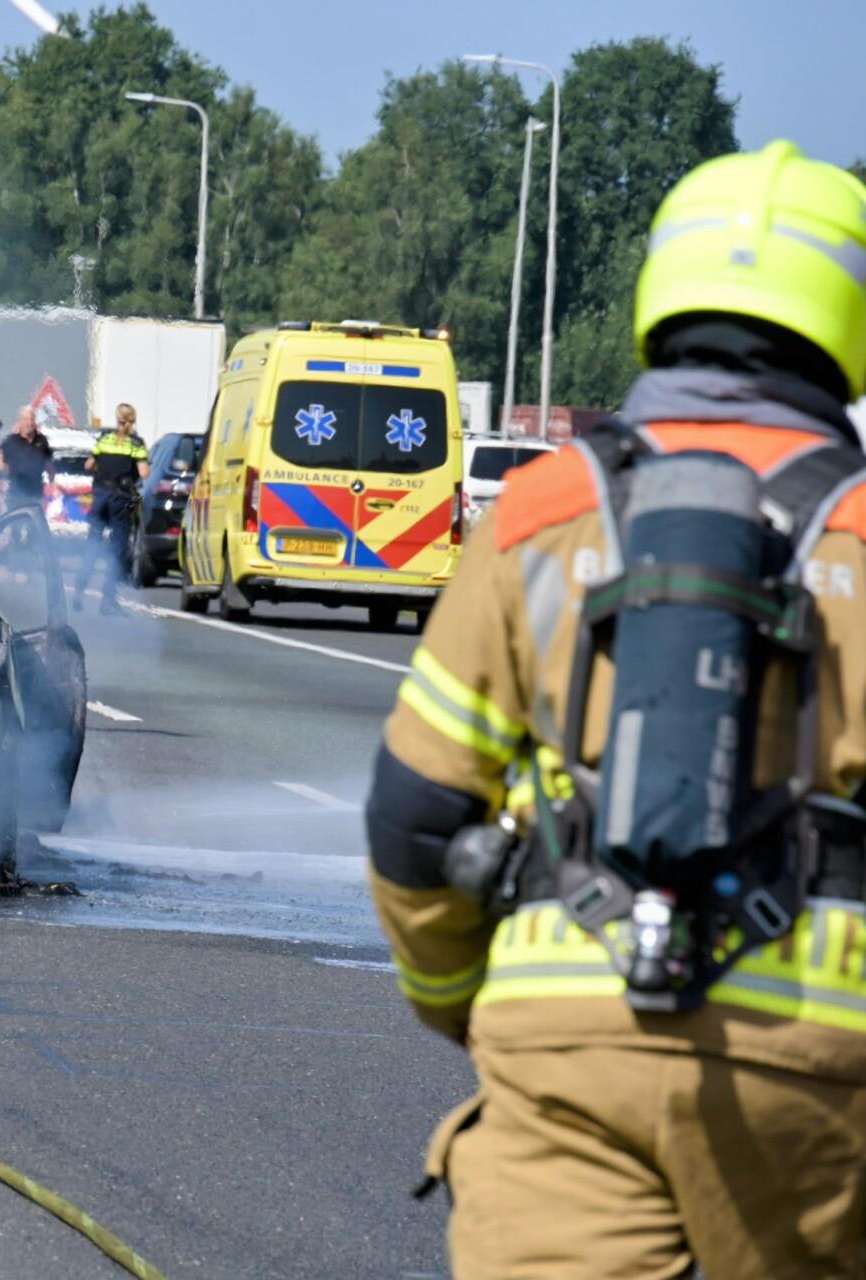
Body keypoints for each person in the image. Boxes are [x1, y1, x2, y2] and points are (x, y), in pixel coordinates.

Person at [365, 140, 866, 1279]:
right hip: (820, 1060)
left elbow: (414, 813)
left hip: (569, 1034)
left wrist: (464, 1001)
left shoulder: (544, 509)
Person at [73, 403, 149, 615]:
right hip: (120, 502)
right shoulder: (135, 443)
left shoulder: (104, 439)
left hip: (100, 499)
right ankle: (107, 600)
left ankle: (77, 594)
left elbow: (89, 465)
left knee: (93, 544)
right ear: (132, 421)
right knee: (117, 550)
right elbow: (144, 473)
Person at [0, 407, 54, 513]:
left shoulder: (42, 441)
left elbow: (48, 464)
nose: (29, 423)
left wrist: (52, 481)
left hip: (35, 493)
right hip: (16, 492)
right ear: (20, 422)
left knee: (34, 525)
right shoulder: (11, 441)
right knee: (16, 525)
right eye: (26, 419)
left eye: (31, 419)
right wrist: (0, 477)